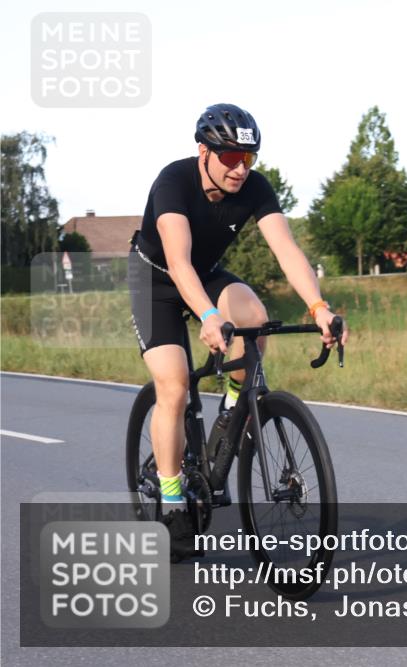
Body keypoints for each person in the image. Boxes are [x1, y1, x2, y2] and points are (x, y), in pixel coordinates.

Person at [127, 103, 348, 561]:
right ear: (203, 151)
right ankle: (171, 501)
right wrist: (207, 315)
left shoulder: (254, 187)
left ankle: (233, 406)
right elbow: (178, 262)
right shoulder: (173, 181)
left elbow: (286, 250)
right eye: (230, 158)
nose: (240, 169)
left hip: (205, 274)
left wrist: (320, 306)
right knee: (174, 385)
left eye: (249, 159)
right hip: (158, 280)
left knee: (255, 319)